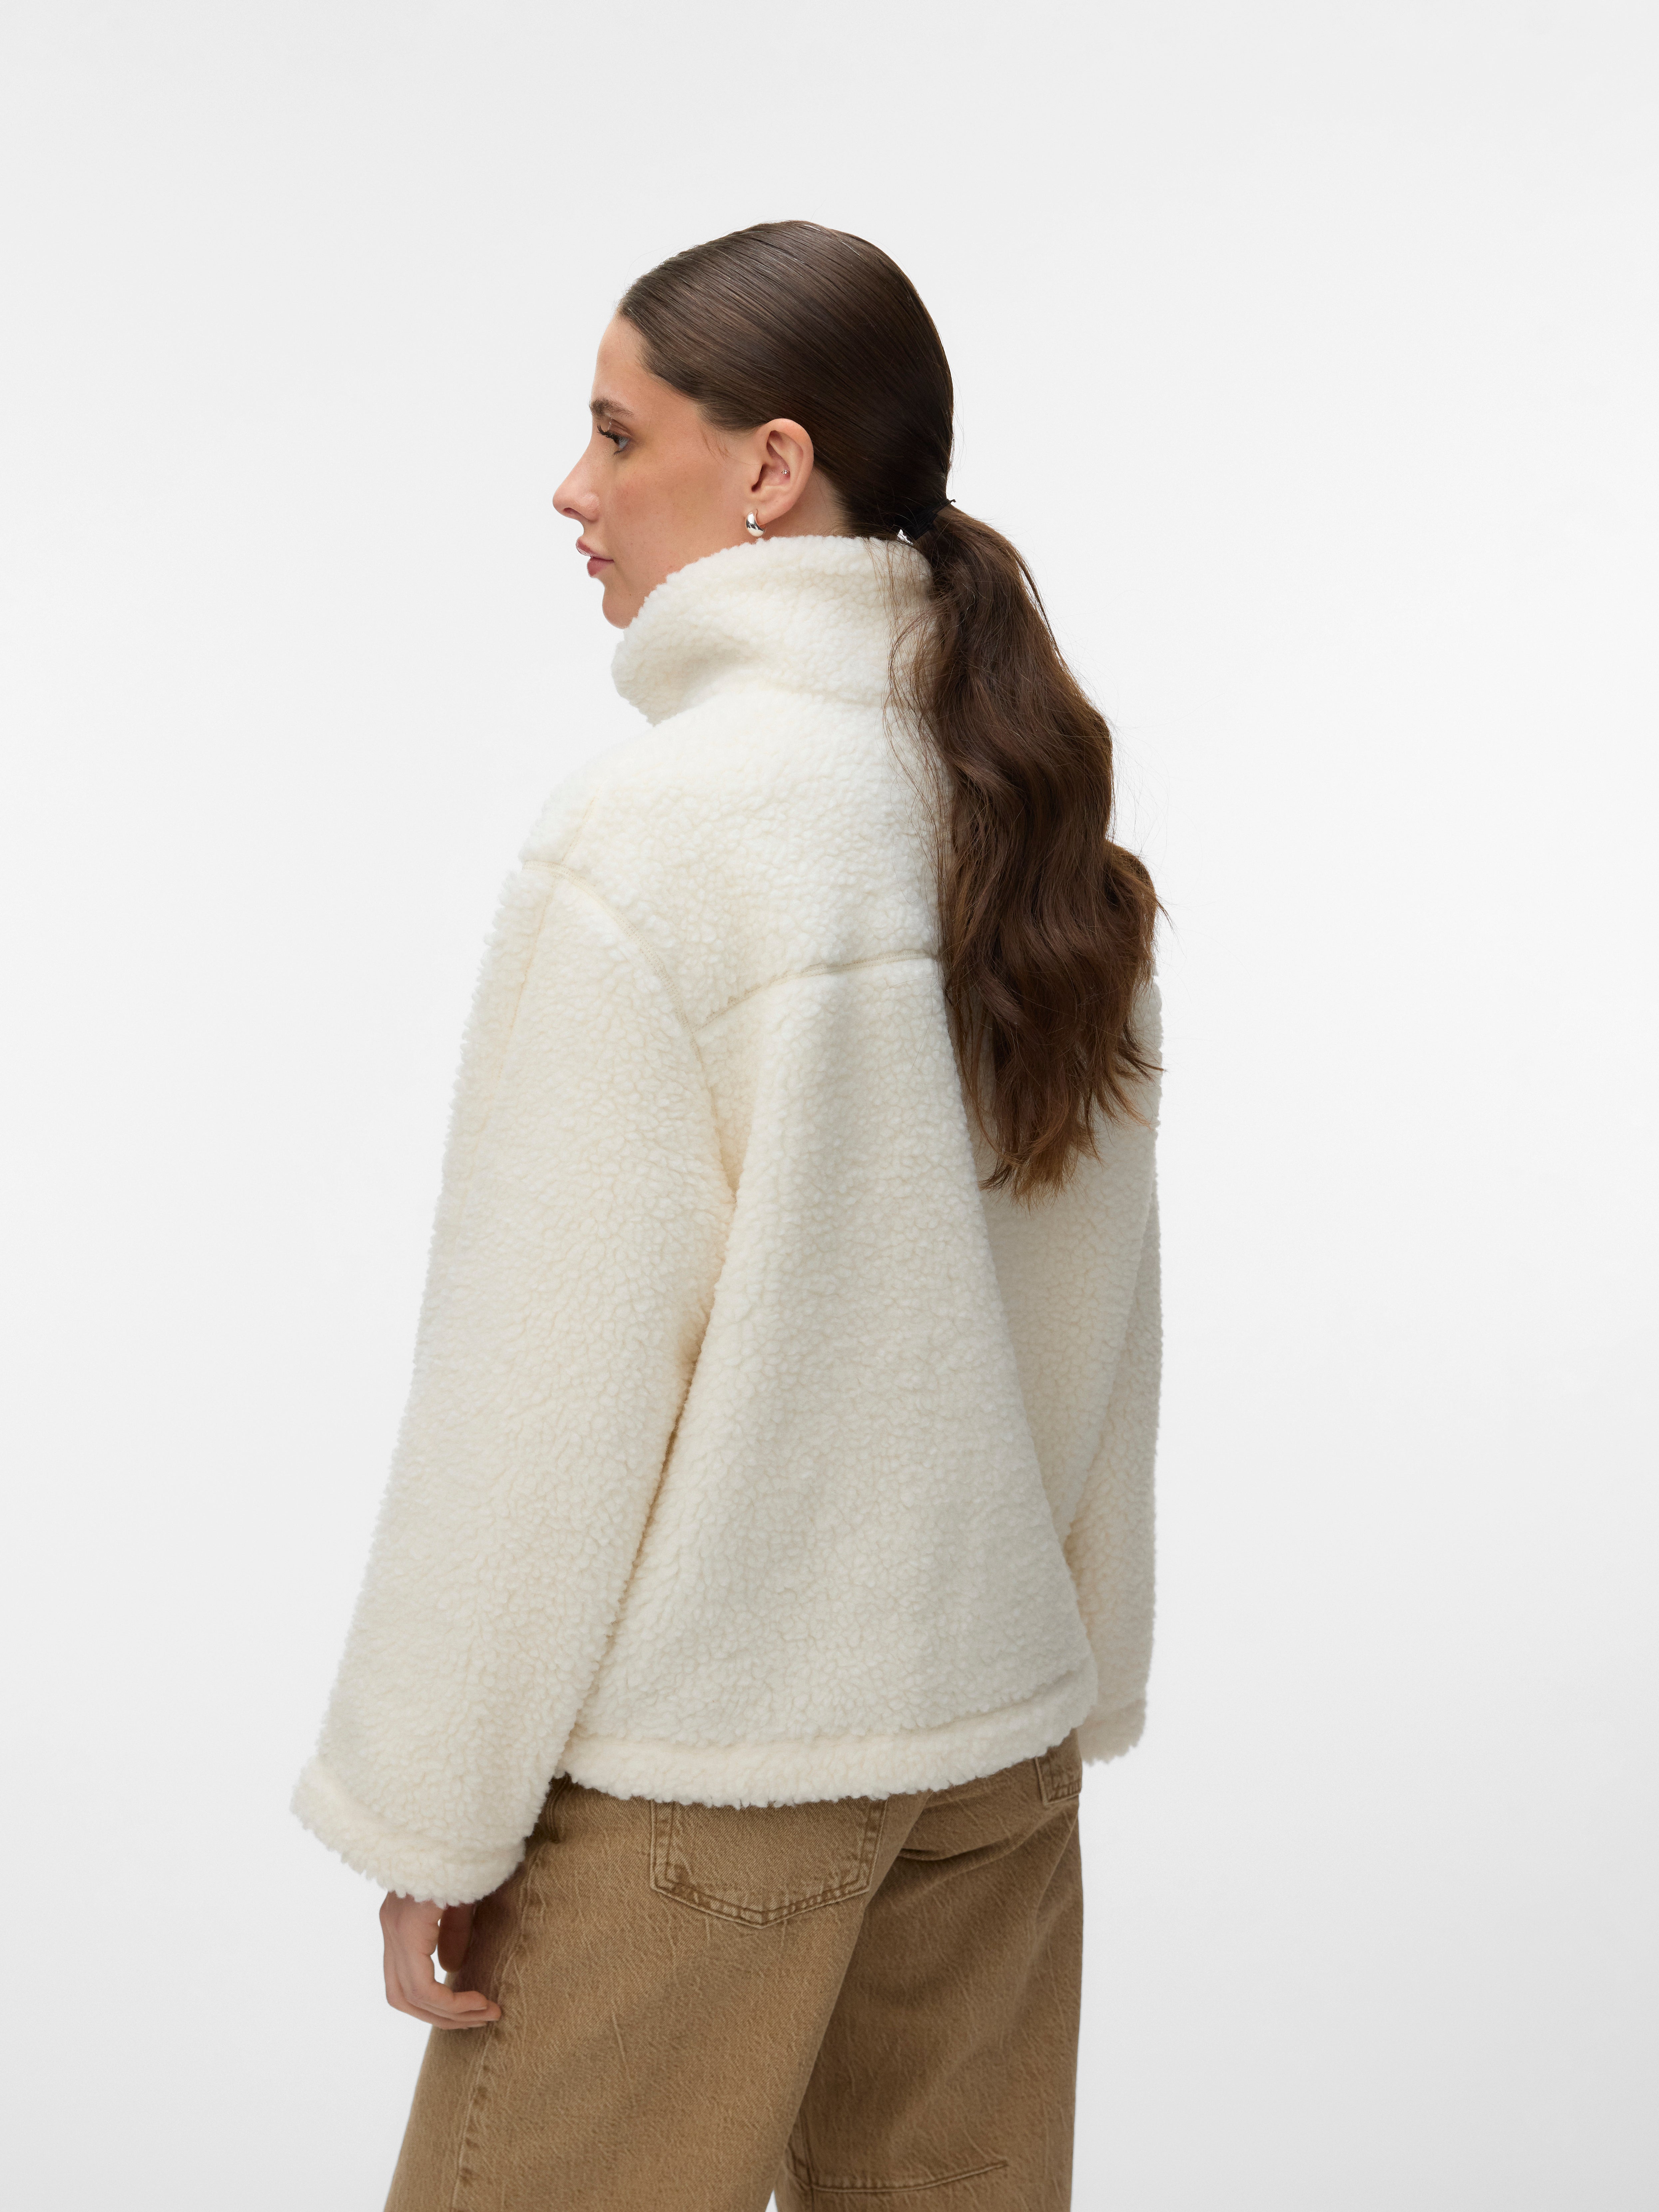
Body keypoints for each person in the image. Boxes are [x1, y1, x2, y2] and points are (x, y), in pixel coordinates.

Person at [293, 219, 1162, 2212]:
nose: (571, 489)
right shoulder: (1034, 819)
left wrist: (440, 1803)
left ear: (770, 467)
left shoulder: (665, 832)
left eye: (617, 434)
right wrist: (1064, 1671)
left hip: (715, 1779)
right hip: (989, 1756)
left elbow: (545, 1381)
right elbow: (1097, 1315)